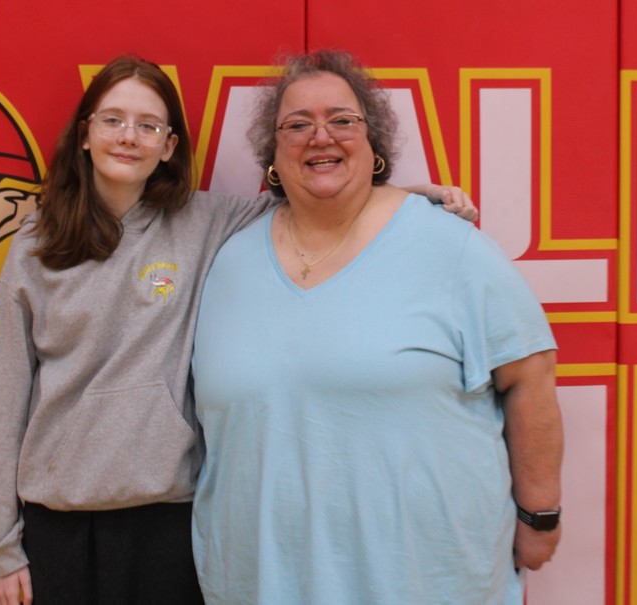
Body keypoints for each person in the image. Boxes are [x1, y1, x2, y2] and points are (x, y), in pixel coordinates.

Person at [0, 54, 476, 605]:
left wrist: (418, 198)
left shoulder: (204, 222)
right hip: (60, 526)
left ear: (168, 147)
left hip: (169, 522)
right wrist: (1, 546)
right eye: (112, 119)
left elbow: (315, 198)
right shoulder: (37, 244)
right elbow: (3, 397)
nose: (128, 136)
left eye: (148, 125)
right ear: (86, 134)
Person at [191, 49, 563, 605]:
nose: (321, 136)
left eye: (343, 120)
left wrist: (540, 517)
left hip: (426, 580)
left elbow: (529, 377)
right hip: (260, 581)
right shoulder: (228, 262)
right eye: (297, 124)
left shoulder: (452, 249)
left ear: (374, 143)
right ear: (272, 153)